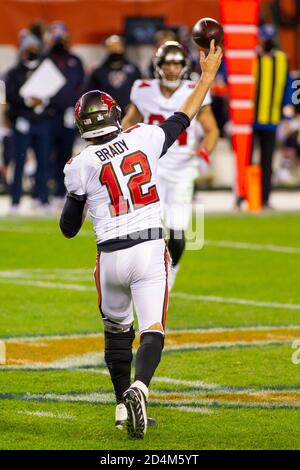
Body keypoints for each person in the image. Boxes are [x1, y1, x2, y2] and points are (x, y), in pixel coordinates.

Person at [59, 40, 222, 439]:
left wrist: (84, 195)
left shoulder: (79, 165)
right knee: (153, 329)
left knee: (116, 332)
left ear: (83, 126)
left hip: (109, 257)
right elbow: (184, 117)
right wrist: (207, 76)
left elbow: (68, 227)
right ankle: (140, 387)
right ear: (114, 116)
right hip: (148, 247)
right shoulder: (144, 137)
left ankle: (120, 404)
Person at [122, 41, 220, 290]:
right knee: (145, 229)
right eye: (168, 63)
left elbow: (211, 130)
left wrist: (203, 155)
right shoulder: (143, 89)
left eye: (177, 64)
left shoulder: (193, 89)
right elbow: (129, 123)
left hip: (182, 169)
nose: (173, 69)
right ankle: (147, 277)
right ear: (158, 66)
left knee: (177, 233)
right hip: (151, 169)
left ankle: (171, 271)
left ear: (184, 66)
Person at [6, 32, 54, 213]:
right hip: (23, 121)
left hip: (42, 121)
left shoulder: (45, 69)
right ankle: (15, 201)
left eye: (35, 48)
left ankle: (42, 199)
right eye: (29, 48)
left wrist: (44, 102)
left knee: (43, 162)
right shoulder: (15, 72)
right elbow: (10, 96)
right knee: (19, 162)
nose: (32, 51)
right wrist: (27, 101)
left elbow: (55, 92)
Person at [251, 24, 293, 209]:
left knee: (267, 162)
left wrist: (288, 110)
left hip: (271, 119)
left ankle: (265, 198)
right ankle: (244, 196)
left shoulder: (282, 60)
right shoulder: (252, 58)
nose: (266, 42)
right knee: (247, 160)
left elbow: (288, 86)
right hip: (250, 120)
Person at [46, 22, 84, 203]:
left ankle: (62, 191)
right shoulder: (45, 60)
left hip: (68, 113)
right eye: (57, 37)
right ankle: (45, 192)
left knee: (66, 153)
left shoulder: (75, 61)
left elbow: (81, 86)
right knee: (46, 152)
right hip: (48, 114)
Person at [84, 35, 141, 116]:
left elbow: (140, 91)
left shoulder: (134, 70)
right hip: (105, 115)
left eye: (118, 46)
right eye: (112, 47)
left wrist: (134, 106)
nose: (115, 50)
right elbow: (90, 93)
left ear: (123, 48)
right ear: (107, 49)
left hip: (129, 114)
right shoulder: (98, 71)